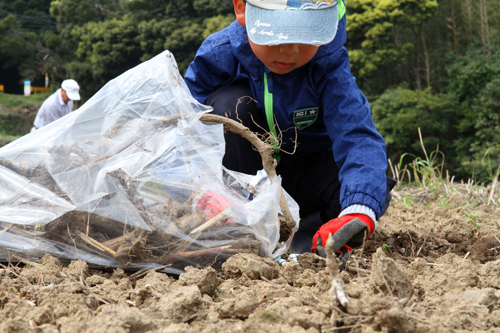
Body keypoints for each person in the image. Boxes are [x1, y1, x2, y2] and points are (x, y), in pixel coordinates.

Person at [184, 0, 397, 266]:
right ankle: (239, 231)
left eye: (305, 36)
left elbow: (357, 135)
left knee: (365, 190)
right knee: (228, 106)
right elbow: (181, 124)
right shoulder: (219, 54)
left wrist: (358, 211)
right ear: (242, 10)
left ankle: (307, 241)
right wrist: (205, 189)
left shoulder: (327, 64)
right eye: (275, 36)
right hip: (244, 182)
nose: (289, 50)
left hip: (307, 175)